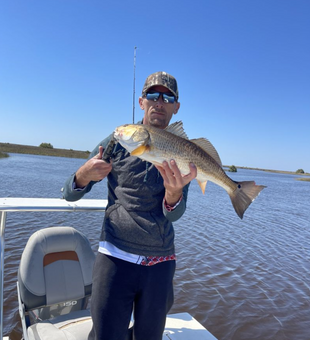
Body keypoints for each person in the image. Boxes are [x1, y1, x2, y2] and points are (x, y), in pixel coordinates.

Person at [63, 71, 197, 340]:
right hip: (115, 257)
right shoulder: (117, 140)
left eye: (167, 97)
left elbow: (175, 214)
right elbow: (70, 193)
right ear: (141, 102)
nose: (159, 102)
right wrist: (83, 175)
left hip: (160, 262)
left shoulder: (182, 151)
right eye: (152, 95)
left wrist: (173, 195)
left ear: (176, 107)